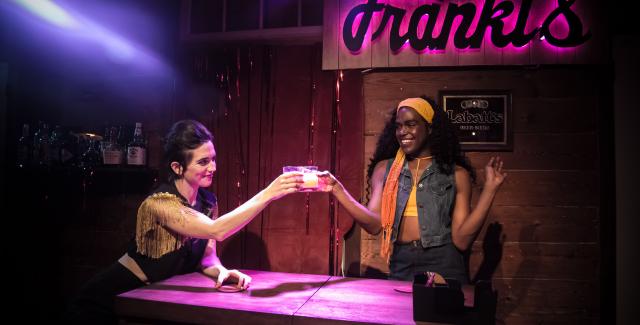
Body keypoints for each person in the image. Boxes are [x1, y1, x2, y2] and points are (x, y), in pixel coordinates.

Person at [67, 120, 303, 324]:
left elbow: (207, 256)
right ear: (177, 167)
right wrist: (269, 193)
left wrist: (221, 271)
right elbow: (216, 230)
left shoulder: (208, 201)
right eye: (203, 162)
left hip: (149, 300)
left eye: (213, 159)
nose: (213, 167)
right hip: (111, 296)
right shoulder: (160, 203)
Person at [317, 97, 506, 283]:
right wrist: (337, 190)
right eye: (398, 126)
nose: (402, 131)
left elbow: (462, 240)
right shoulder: (384, 170)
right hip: (402, 261)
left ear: (430, 128)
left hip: (445, 262)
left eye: (411, 124)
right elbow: (375, 224)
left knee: (441, 314)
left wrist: (490, 190)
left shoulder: (455, 174)